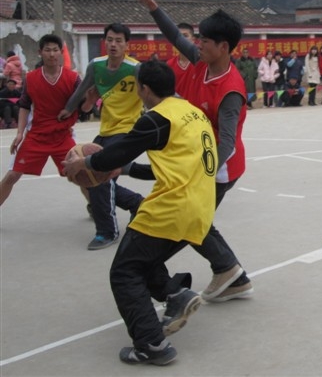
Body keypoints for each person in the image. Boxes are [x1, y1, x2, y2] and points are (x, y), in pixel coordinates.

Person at [63, 60, 216, 365]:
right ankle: (175, 295)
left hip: (171, 210)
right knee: (143, 256)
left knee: (124, 271)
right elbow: (171, 165)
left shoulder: (157, 118)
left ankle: (151, 344)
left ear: (144, 89)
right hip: (200, 208)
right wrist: (126, 168)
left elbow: (120, 150)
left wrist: (86, 164)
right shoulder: (192, 113)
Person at [127, 0, 252, 302]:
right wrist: (151, 5)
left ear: (223, 47)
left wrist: (201, 170)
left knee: (190, 219)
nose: (197, 45)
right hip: (197, 161)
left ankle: (227, 271)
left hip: (218, 169)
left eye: (205, 42)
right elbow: (172, 35)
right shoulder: (201, 62)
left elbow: (226, 142)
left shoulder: (231, 90)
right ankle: (231, 273)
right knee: (194, 218)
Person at [59, 23, 144, 250]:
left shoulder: (136, 69)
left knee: (99, 174)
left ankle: (106, 231)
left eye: (118, 40)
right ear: (104, 42)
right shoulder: (96, 66)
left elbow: (155, 94)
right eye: (109, 40)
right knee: (83, 174)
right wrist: (68, 109)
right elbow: (82, 90)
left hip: (128, 132)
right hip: (106, 130)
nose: (113, 44)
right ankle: (137, 203)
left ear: (127, 44)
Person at [0, 35, 94, 206]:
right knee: (12, 175)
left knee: (82, 176)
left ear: (60, 52)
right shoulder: (31, 78)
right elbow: (24, 106)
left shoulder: (73, 78)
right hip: (36, 135)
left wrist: (91, 98)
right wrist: (20, 133)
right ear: (40, 53)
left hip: (63, 136)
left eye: (55, 50)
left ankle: (97, 212)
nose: (51, 54)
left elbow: (84, 108)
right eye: (47, 50)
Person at [166, 22, 196, 97]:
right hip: (176, 107)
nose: (182, 39)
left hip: (195, 108)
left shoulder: (201, 63)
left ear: (193, 39)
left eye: (185, 36)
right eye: (179, 36)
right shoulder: (169, 65)